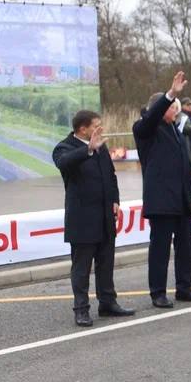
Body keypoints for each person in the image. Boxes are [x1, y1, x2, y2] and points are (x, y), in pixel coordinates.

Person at [53, 110, 132, 327]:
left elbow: (110, 175)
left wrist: (115, 199)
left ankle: (108, 302)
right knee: (81, 268)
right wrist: (88, 149)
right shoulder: (64, 147)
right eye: (96, 125)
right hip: (82, 219)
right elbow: (64, 163)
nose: (100, 129)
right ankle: (81, 309)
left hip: (105, 216)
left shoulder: (100, 146)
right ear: (82, 129)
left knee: (106, 263)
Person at [132, 71, 191, 308]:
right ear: (159, 108)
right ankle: (158, 292)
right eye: (173, 107)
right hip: (161, 199)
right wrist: (171, 93)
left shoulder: (174, 128)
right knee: (160, 248)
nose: (177, 112)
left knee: (185, 246)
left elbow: (183, 163)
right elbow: (151, 118)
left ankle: (184, 287)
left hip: (181, 197)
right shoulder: (145, 128)